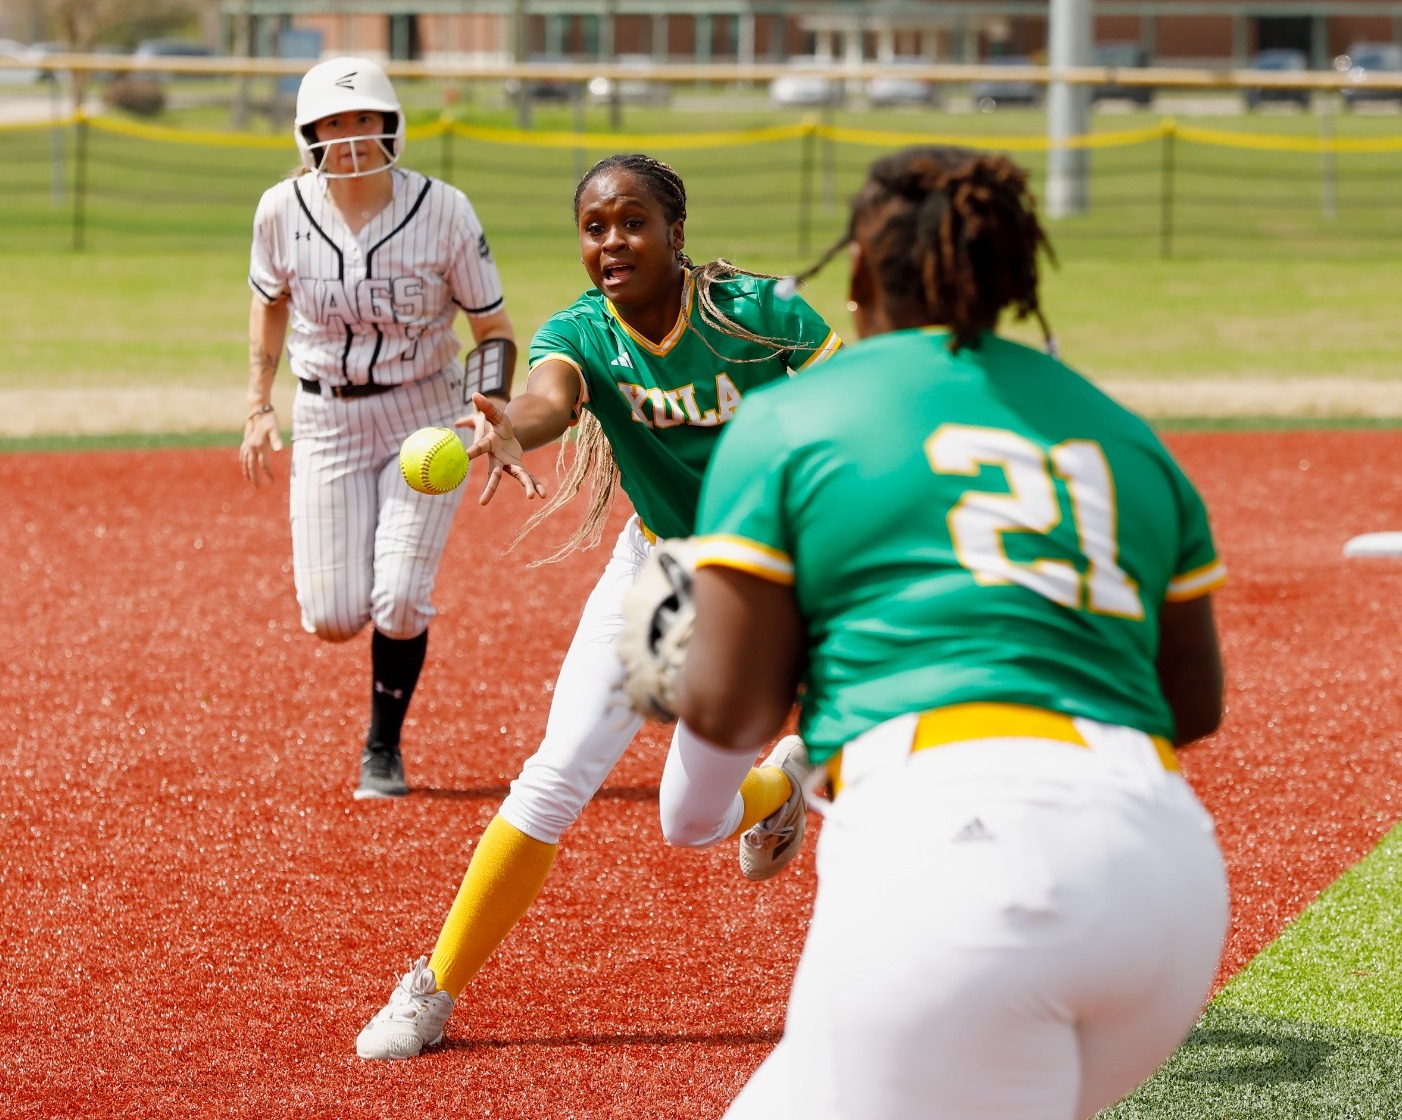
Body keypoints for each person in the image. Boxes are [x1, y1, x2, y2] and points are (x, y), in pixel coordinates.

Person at [659, 145, 1231, 1119]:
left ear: (852, 277)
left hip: (957, 862)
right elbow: (1192, 702)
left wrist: (696, 744)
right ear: (1013, 278)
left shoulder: (794, 415)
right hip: (1164, 881)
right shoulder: (1124, 433)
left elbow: (727, 711)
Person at [354, 153, 843, 1060]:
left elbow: (852, 414)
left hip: (764, 590)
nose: (611, 240)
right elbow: (549, 399)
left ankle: (780, 782)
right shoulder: (581, 331)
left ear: (675, 233)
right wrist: (506, 425)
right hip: (653, 573)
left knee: (688, 822)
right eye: (593, 226)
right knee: (555, 771)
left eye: (632, 222)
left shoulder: (761, 314)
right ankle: (432, 990)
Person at [240, 56, 519, 801]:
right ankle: (372, 682)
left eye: (364, 118)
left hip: (423, 414)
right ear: (308, 134)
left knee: (397, 599)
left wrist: (488, 406)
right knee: (332, 618)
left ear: (391, 124)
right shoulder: (279, 210)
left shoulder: (445, 210)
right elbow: (268, 301)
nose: (351, 137)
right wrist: (257, 402)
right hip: (325, 415)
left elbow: (491, 326)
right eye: (333, 123)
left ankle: (382, 748)